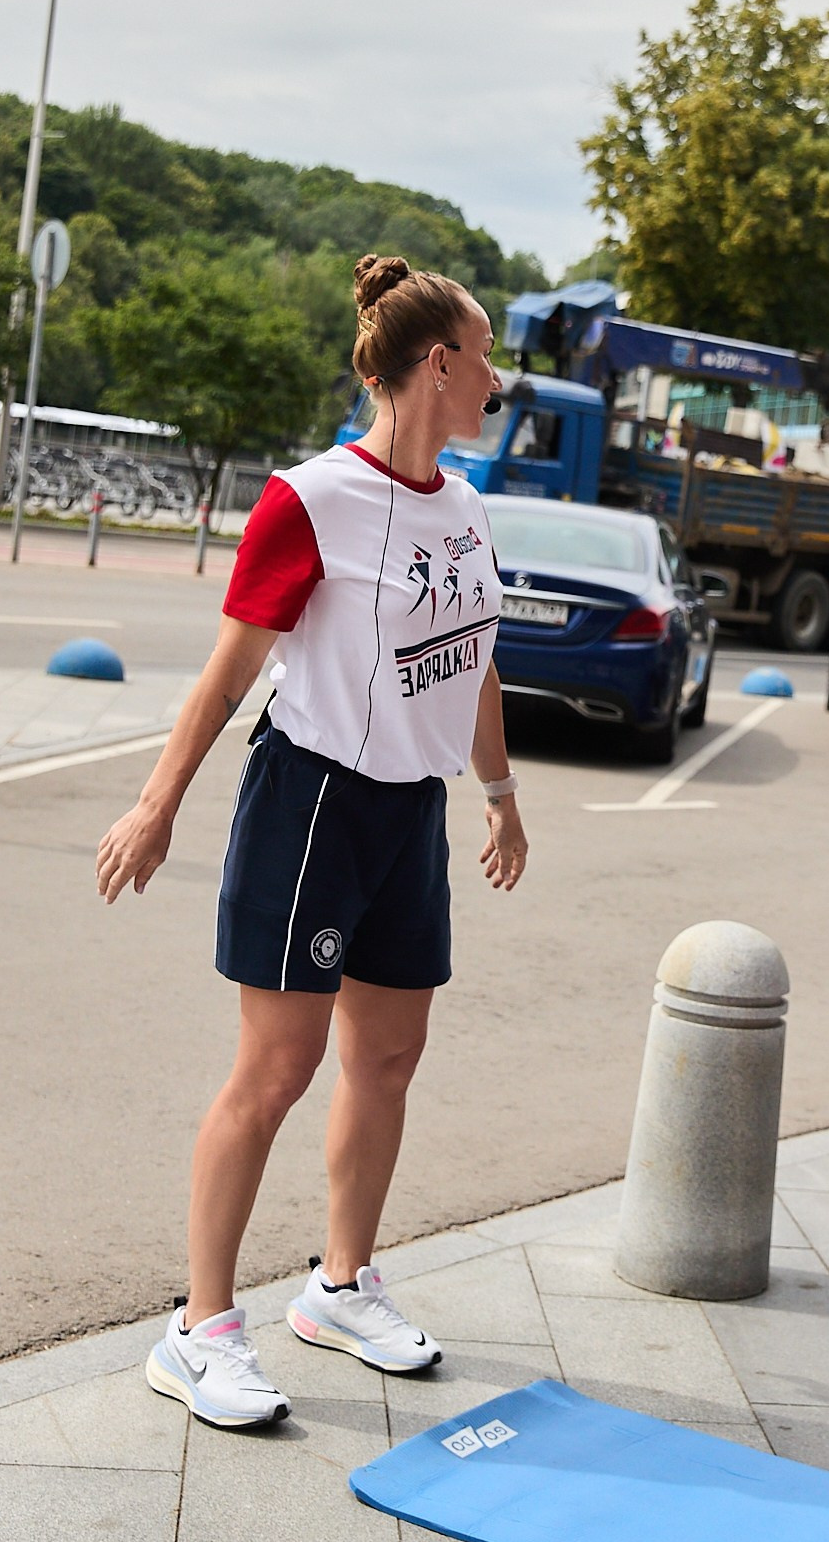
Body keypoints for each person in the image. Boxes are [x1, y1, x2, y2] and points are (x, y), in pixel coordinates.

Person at [94, 254, 530, 1429]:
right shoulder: (310, 500)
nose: (495, 376)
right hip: (313, 802)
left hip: (408, 812)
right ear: (437, 364)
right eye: (484, 355)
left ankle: (339, 1287)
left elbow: (475, 653)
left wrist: (497, 790)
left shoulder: (469, 502)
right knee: (275, 1070)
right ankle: (198, 1328)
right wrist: (157, 801)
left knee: (387, 1060)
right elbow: (231, 669)